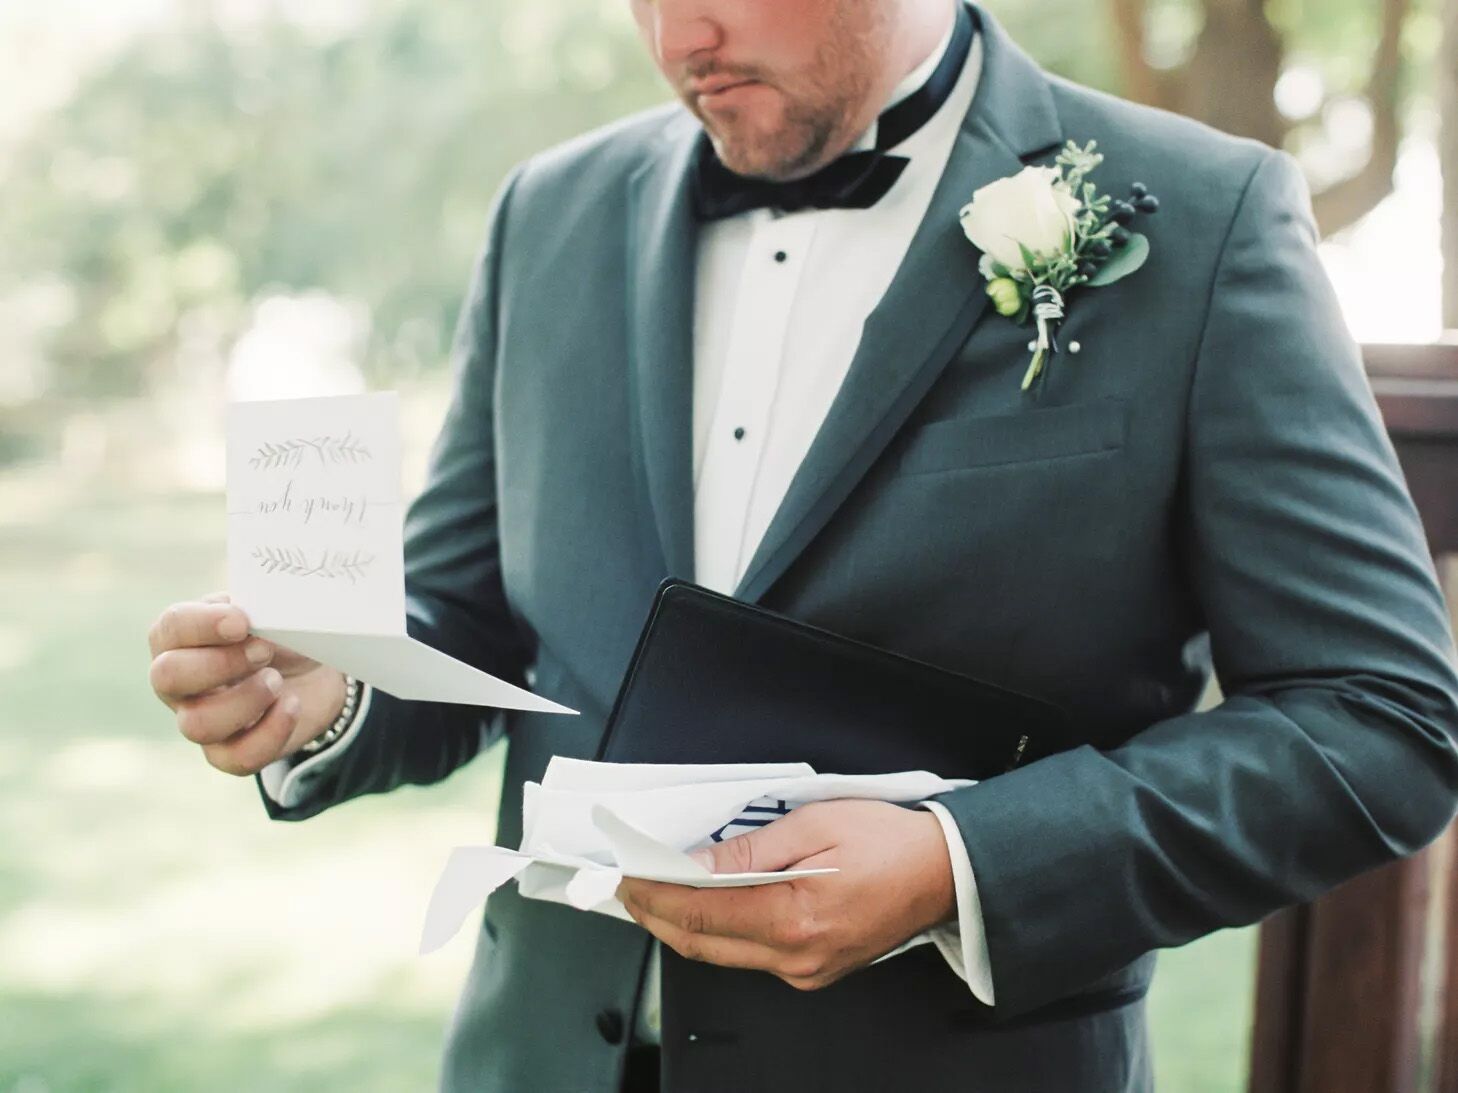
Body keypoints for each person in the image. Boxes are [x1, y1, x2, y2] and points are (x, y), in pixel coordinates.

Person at [147, 0, 1458, 1089]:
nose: (678, 38)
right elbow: (473, 616)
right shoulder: (546, 212)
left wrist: (963, 864)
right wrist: (330, 692)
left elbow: (1377, 717)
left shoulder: (1202, 215)